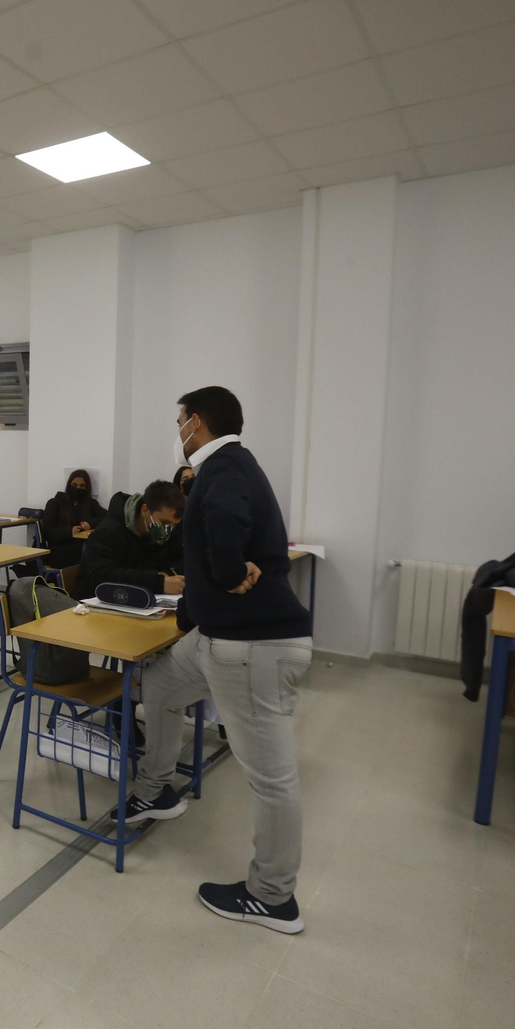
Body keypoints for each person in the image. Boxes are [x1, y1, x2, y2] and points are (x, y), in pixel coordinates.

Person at [122, 386, 313, 935]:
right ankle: (156, 787)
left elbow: (226, 521)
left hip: (251, 647)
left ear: (196, 422)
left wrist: (230, 573)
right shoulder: (230, 464)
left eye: (180, 420)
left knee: (272, 778)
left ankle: (273, 896)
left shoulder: (223, 468)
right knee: (157, 687)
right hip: (215, 638)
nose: (178, 430)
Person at [75, 481, 186, 601]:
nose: (168, 530)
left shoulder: (163, 532)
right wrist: (158, 582)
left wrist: (167, 573)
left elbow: (181, 559)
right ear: (145, 510)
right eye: (165, 523)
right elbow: (101, 575)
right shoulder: (107, 533)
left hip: (142, 603)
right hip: (94, 605)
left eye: (174, 525)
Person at [39, 470, 105, 570]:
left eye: (82, 486)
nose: (78, 488)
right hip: (58, 550)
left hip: (81, 547)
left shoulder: (90, 504)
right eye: (74, 484)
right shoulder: (55, 503)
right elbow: (49, 532)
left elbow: (107, 516)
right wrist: (69, 531)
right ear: (69, 484)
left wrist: (91, 523)